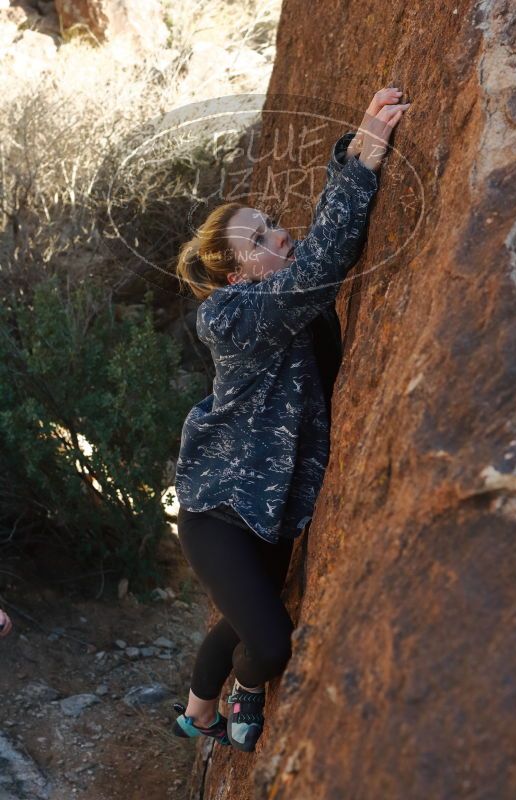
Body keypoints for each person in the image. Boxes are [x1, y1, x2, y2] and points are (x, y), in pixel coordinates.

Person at [172, 88, 412, 752]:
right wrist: (361, 156)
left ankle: (195, 713)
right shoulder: (231, 317)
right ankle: (243, 692)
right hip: (219, 514)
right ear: (235, 275)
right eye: (259, 238)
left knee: (238, 620)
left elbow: (314, 261)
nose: (278, 233)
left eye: (272, 222)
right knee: (268, 641)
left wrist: (349, 160)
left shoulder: (281, 300)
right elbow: (322, 261)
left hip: (275, 511)